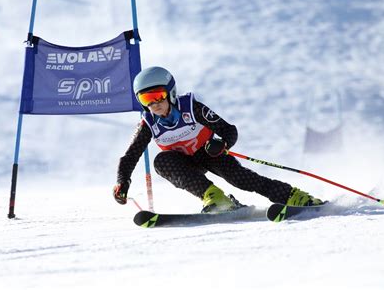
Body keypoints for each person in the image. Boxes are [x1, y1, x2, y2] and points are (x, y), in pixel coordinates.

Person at [113, 66, 323, 212]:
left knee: (241, 179)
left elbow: (229, 130)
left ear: (171, 93)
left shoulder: (191, 108)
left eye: (158, 95)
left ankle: (295, 197)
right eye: (146, 99)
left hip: (210, 153)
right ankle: (216, 199)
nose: (154, 104)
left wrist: (221, 144)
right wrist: (122, 182)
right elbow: (130, 156)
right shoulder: (148, 123)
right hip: (184, 165)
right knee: (161, 161)